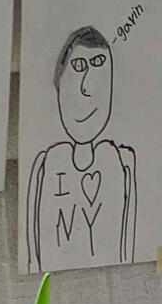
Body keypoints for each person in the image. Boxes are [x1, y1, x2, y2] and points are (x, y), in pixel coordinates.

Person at [26, 26, 137, 271]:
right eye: (78, 67)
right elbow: (32, 254)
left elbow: (128, 245)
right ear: (58, 84)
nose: (87, 87)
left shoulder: (121, 161)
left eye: (98, 64)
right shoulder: (47, 164)